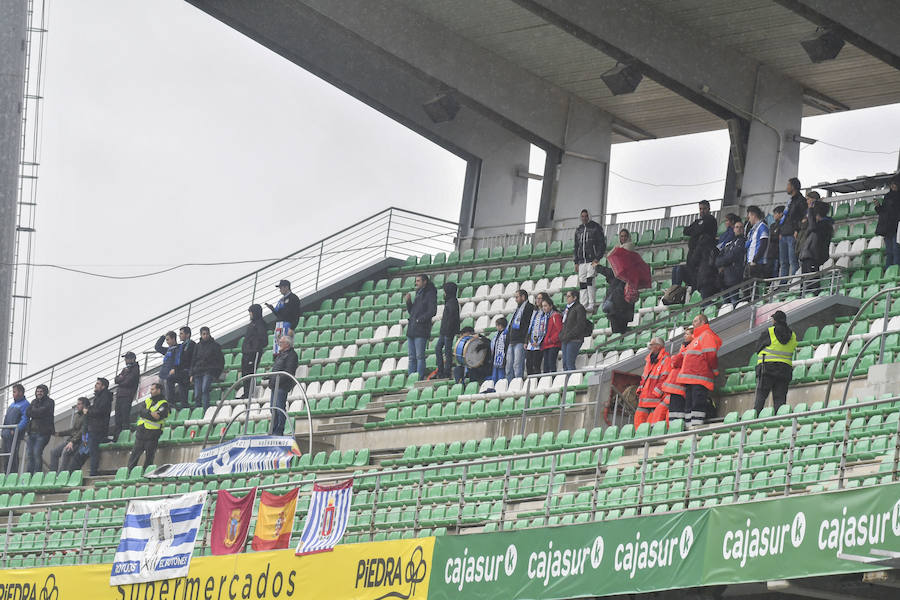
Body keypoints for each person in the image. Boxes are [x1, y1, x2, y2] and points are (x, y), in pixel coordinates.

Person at [675, 314, 721, 429]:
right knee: (690, 403)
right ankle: (690, 425)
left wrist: (714, 370)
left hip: (699, 377)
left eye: (695, 321)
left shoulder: (706, 336)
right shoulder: (698, 337)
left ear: (702, 322)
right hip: (691, 377)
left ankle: (696, 426)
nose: (693, 323)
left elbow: (710, 355)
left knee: (697, 402)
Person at [754, 311, 797, 415]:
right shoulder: (792, 335)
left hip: (768, 369)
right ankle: (779, 421)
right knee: (780, 399)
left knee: (761, 396)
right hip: (784, 370)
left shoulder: (769, 332)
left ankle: (754, 420)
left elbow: (757, 348)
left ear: (775, 320)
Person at [673, 200, 718, 297]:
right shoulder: (698, 221)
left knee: (697, 281)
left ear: (709, 209)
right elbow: (686, 230)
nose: (702, 211)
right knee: (678, 269)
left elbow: (698, 230)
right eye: (700, 209)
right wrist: (697, 229)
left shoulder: (710, 220)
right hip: (692, 256)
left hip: (702, 258)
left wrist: (696, 230)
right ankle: (673, 293)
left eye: (704, 209)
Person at [127, 383, 170, 470]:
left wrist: (146, 413)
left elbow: (157, 417)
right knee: (134, 454)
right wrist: (150, 413)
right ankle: (129, 472)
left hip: (153, 434)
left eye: (153, 389)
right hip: (141, 431)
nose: (150, 391)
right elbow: (141, 412)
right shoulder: (147, 401)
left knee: (149, 456)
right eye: (151, 389)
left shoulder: (164, 404)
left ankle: (146, 473)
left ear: (159, 390)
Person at [657, 326, 693, 425]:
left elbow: (676, 360)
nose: (684, 336)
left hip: (679, 386)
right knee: (673, 412)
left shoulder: (690, 348)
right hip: (675, 385)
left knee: (677, 411)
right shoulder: (684, 347)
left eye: (687, 334)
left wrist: (675, 359)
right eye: (684, 334)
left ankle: (676, 427)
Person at [574, 209, 607, 312]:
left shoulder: (596, 228)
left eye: (586, 216)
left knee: (590, 281)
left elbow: (601, 244)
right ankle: (583, 304)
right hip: (581, 261)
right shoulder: (578, 230)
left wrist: (597, 258)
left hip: (592, 260)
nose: (584, 218)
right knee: (582, 283)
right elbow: (576, 246)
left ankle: (591, 303)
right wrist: (576, 262)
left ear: (589, 216)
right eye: (582, 216)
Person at [405, 274, 437, 380]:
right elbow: (412, 312)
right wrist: (408, 302)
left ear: (425, 282)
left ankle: (419, 377)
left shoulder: (430, 294)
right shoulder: (418, 294)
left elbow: (432, 311)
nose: (416, 283)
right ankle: (411, 378)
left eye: (418, 281)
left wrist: (420, 320)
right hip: (412, 329)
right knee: (412, 357)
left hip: (421, 330)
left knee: (419, 356)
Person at [800, 201, 834, 295]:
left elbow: (813, 227)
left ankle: (813, 295)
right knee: (804, 281)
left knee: (813, 280)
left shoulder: (825, 225)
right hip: (809, 255)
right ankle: (803, 295)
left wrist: (810, 211)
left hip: (814, 256)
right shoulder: (818, 226)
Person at [635, 338, 670, 426]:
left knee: (652, 424)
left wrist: (656, 393)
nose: (649, 347)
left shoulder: (666, 359)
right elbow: (644, 377)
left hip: (655, 399)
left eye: (651, 345)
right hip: (644, 397)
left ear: (658, 346)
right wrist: (640, 390)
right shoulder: (649, 360)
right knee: (638, 422)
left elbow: (665, 378)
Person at [269, 335, 299, 436]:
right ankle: (273, 429)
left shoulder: (292, 355)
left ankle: (279, 430)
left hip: (282, 385)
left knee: (279, 407)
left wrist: (278, 379)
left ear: (287, 344)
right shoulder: (280, 355)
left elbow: (289, 371)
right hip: (275, 385)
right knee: (273, 408)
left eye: (281, 343)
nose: (279, 345)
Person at [50, 397, 88, 472]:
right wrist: (59, 433)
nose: (77, 406)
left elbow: (82, 431)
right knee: (54, 452)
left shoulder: (86, 415)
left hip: (79, 441)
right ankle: (53, 474)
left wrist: (72, 442)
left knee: (65, 451)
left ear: (84, 405)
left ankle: (61, 474)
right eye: (77, 404)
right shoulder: (78, 415)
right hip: (71, 440)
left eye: (79, 404)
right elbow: (73, 430)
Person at [238, 304, 268, 399]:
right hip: (247, 353)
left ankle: (250, 394)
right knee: (245, 373)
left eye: (251, 312)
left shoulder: (260, 324)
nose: (250, 314)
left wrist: (254, 347)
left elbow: (263, 340)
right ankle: (246, 393)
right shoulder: (252, 324)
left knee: (250, 373)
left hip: (253, 353)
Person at [191, 326, 225, 411]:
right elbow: (193, 360)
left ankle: (206, 410)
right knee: (197, 394)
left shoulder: (215, 346)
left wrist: (216, 373)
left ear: (209, 334)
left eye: (207, 334)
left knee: (205, 390)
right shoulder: (197, 346)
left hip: (209, 371)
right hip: (198, 372)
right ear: (201, 335)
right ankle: (197, 411)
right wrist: (191, 373)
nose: (205, 336)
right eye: (204, 334)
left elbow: (221, 360)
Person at [596, 264, 636, 334]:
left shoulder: (618, 277)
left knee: (617, 333)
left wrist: (597, 266)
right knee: (622, 332)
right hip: (625, 311)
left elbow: (608, 272)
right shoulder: (632, 279)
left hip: (616, 310)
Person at [86, 377, 113, 475]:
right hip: (95, 427)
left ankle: (93, 472)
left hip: (98, 428)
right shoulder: (99, 397)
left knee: (93, 451)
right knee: (91, 450)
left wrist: (88, 411)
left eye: (98, 383)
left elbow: (100, 411)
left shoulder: (104, 397)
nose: (95, 385)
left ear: (103, 386)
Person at [24, 384, 54, 473]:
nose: (39, 393)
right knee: (30, 454)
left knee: (37, 453)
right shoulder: (34, 401)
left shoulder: (50, 402)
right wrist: (37, 412)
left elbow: (43, 412)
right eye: (37, 391)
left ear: (45, 392)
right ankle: (29, 474)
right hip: (32, 432)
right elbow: (27, 412)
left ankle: (37, 474)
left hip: (43, 433)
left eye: (41, 391)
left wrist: (34, 411)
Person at [505, 290, 534, 381]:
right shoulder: (518, 309)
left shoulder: (529, 307)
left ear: (523, 297)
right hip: (512, 340)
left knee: (517, 365)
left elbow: (528, 325)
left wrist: (525, 339)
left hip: (520, 340)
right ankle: (509, 385)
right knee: (509, 366)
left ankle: (518, 385)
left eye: (517, 297)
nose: (515, 300)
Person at [715, 220, 746, 304]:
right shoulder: (729, 244)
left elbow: (733, 256)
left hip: (734, 277)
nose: (739, 229)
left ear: (743, 230)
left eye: (741, 227)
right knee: (726, 304)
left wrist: (724, 261)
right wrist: (725, 260)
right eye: (737, 227)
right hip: (724, 278)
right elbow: (717, 260)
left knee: (734, 301)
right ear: (733, 229)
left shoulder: (742, 241)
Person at [111, 351, 140, 441]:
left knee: (125, 417)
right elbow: (116, 380)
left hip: (127, 396)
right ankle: (116, 437)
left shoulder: (135, 369)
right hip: (120, 395)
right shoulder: (125, 369)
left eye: (127, 358)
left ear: (132, 359)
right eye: (125, 358)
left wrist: (121, 378)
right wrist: (121, 378)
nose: (126, 360)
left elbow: (128, 382)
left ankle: (124, 437)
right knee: (118, 418)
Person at [781, 177, 806, 277]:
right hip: (784, 234)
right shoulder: (790, 201)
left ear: (793, 187)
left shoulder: (801, 200)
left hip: (792, 234)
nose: (786, 187)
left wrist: (797, 229)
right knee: (783, 262)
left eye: (788, 185)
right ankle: (783, 284)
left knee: (793, 261)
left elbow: (803, 217)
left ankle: (793, 282)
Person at [1, 384, 29, 472]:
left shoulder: (25, 404)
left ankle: (13, 474)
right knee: (5, 455)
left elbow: (25, 419)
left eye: (14, 392)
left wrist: (16, 429)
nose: (13, 394)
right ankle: (6, 474)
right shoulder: (12, 404)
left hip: (14, 434)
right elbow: (6, 418)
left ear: (20, 392)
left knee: (12, 455)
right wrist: (3, 431)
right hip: (6, 434)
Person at [559, 290, 589, 371]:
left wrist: (568, 335)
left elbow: (580, 325)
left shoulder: (579, 308)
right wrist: (562, 335)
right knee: (565, 364)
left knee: (569, 363)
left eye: (568, 296)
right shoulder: (567, 309)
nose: (566, 298)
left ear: (575, 297)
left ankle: (572, 380)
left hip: (575, 339)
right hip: (566, 339)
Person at [435, 282, 460, 379]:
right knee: (439, 349)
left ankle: (446, 371)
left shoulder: (452, 302)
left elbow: (452, 319)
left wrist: (449, 331)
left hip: (448, 332)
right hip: (444, 331)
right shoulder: (450, 301)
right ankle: (441, 370)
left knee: (447, 352)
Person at [875, 174, 900, 267]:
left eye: (895, 184)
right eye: (892, 184)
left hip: (897, 228)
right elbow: (883, 211)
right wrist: (878, 206)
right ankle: (888, 272)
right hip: (887, 228)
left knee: (896, 250)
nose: (893, 186)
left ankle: (896, 272)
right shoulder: (887, 196)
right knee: (889, 252)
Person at [524, 292, 551, 375]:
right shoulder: (534, 311)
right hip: (531, 342)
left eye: (540, 298)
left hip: (540, 343)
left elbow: (546, 329)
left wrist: (540, 341)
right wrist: (526, 340)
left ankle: (536, 382)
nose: (538, 300)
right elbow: (530, 327)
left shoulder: (546, 313)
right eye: (537, 298)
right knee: (528, 364)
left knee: (536, 364)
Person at [170, 326, 195, 408]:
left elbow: (191, 360)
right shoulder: (181, 346)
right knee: (182, 392)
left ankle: (171, 402)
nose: (179, 335)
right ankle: (184, 407)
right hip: (182, 372)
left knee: (170, 379)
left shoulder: (191, 345)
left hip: (187, 372)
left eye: (181, 333)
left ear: (187, 335)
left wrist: (191, 373)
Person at [745, 205, 769, 280]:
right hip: (750, 261)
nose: (749, 220)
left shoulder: (762, 227)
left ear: (753, 215)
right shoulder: (753, 229)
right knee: (746, 288)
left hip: (757, 263)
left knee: (753, 287)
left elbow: (763, 244)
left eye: (749, 217)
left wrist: (755, 260)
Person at [155, 330, 179, 406]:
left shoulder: (178, 348)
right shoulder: (168, 350)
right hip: (162, 374)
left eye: (168, 339)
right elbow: (157, 347)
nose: (167, 342)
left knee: (168, 394)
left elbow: (178, 361)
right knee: (160, 394)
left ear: (173, 339)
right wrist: (163, 336)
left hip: (169, 375)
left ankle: (170, 407)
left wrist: (174, 369)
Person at [539, 299, 563, 373]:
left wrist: (551, 340)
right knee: (545, 366)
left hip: (553, 344)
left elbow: (560, 330)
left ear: (551, 306)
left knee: (551, 364)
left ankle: (552, 381)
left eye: (545, 306)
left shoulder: (555, 316)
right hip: (546, 345)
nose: (544, 308)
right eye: (543, 306)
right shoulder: (545, 317)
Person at [490, 317, 509, 382]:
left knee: (501, 376)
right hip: (495, 358)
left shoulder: (505, 334)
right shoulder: (497, 334)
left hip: (502, 358)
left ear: (500, 325)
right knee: (494, 376)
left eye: (497, 325)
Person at [768, 206, 784, 277]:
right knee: (769, 271)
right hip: (770, 252)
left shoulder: (783, 225)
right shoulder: (772, 225)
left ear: (781, 214)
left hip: (778, 252)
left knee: (775, 271)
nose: (774, 215)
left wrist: (773, 237)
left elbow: (779, 237)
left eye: (775, 213)